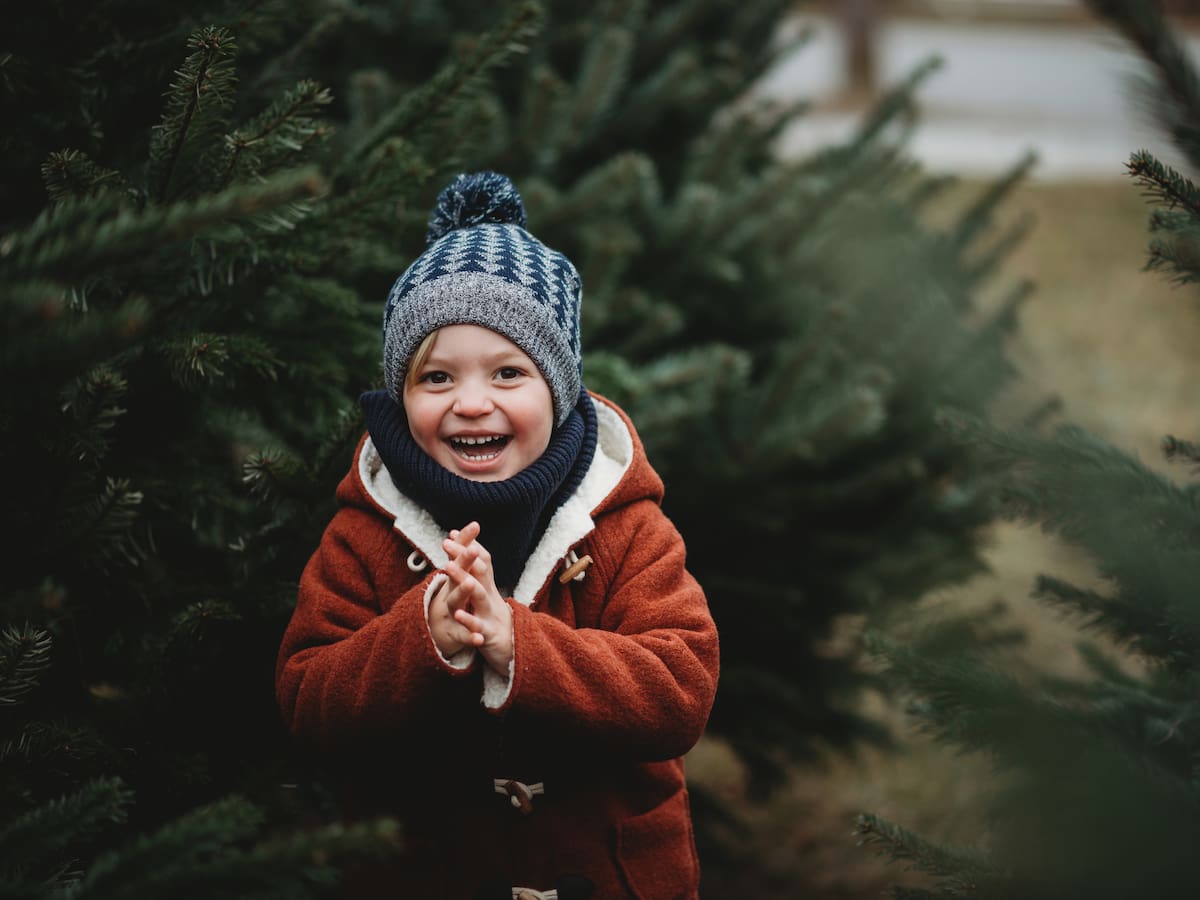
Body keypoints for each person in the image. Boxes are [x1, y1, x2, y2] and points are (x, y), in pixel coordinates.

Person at [275, 171, 719, 900]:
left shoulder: (625, 524)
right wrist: (425, 639)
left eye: (509, 372)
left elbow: (680, 689)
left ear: (559, 387)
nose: (472, 403)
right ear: (402, 394)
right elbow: (307, 701)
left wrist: (520, 644)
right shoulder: (365, 533)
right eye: (437, 378)